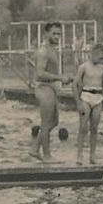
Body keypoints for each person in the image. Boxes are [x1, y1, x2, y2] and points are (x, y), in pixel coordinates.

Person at [30, 22, 70, 162]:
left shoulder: (52, 49)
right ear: (46, 34)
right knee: (46, 123)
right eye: (53, 33)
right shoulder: (44, 51)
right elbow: (39, 74)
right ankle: (47, 156)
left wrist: (63, 78)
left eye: (59, 34)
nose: (57, 36)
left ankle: (35, 149)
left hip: (50, 88)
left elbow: (49, 71)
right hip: (43, 88)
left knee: (54, 121)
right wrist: (59, 77)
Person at [72, 41, 103, 165]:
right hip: (86, 95)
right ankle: (79, 155)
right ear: (92, 54)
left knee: (94, 128)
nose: (100, 58)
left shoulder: (102, 68)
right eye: (98, 55)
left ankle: (92, 155)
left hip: (98, 97)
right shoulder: (83, 67)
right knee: (83, 127)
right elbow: (74, 84)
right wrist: (78, 102)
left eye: (101, 56)